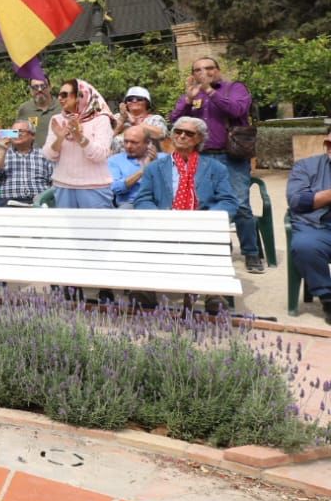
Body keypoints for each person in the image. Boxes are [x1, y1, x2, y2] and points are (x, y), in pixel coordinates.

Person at [133, 116, 240, 311]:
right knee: (143, 238)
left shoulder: (216, 168)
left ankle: (213, 295)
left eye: (189, 133)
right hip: (164, 225)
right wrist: (158, 216)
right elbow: (142, 199)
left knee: (217, 239)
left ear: (199, 139)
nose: (182, 135)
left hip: (200, 226)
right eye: (177, 131)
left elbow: (229, 201)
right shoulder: (154, 168)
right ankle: (145, 292)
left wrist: (207, 219)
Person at [170, 56, 263, 273]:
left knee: (239, 205)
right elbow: (175, 122)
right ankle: (219, 248)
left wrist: (210, 91)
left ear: (218, 70)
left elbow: (238, 111)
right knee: (205, 205)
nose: (204, 72)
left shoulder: (235, 88)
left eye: (209, 68)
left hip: (231, 157)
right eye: (198, 69)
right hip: (202, 158)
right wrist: (186, 100)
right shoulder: (193, 95)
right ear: (192, 74)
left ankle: (251, 253)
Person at [42, 79, 114, 209]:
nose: (59, 98)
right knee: (66, 230)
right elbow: (48, 155)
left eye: (64, 95)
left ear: (80, 96)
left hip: (94, 187)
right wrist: (59, 138)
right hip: (63, 186)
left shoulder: (101, 119)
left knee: (96, 229)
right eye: (59, 94)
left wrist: (79, 136)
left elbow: (100, 155)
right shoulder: (57, 119)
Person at [286, 130, 331, 321]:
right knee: (305, 246)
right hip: (316, 226)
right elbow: (296, 200)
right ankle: (327, 297)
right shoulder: (306, 166)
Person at [0, 120, 53, 206]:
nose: (17, 134)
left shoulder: (44, 154)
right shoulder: (3, 153)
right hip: (9, 202)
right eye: (14, 132)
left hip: (39, 202)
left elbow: (53, 181)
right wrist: (2, 149)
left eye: (21, 131)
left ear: (32, 135)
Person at [108, 125, 156, 208]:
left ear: (147, 143)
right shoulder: (115, 160)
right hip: (130, 204)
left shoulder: (162, 159)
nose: (128, 146)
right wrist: (142, 171)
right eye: (126, 142)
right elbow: (115, 188)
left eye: (134, 142)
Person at [111, 86, 168, 153]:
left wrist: (134, 122)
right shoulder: (117, 117)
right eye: (130, 99)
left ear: (147, 102)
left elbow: (160, 135)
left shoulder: (156, 119)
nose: (134, 101)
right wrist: (122, 120)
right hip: (118, 161)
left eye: (139, 99)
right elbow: (107, 141)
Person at [18, 76, 63, 154]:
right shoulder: (25, 109)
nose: (39, 90)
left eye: (43, 86)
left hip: (59, 155)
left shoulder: (62, 106)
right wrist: (2, 134)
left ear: (50, 87)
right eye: (35, 87)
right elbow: (18, 132)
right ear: (31, 90)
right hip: (35, 158)